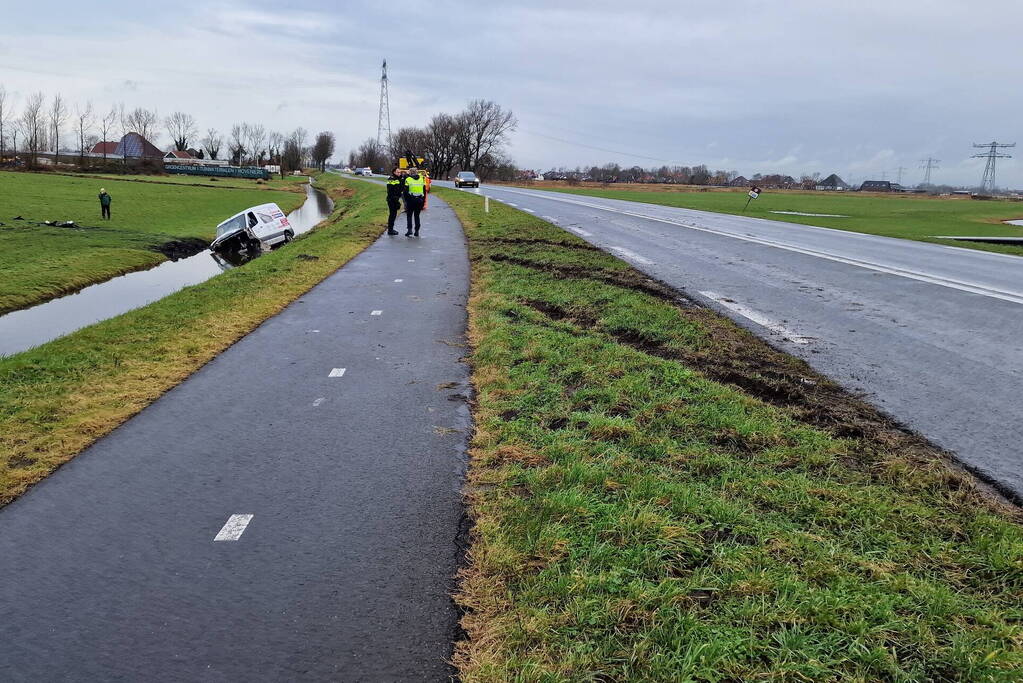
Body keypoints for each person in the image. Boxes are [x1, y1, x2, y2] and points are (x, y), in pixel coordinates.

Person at [403, 169, 426, 237]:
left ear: (410, 173)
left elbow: (405, 191)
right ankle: (417, 231)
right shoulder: (421, 179)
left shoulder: (408, 179)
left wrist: (406, 201)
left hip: (411, 200)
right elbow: (424, 191)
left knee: (409, 215)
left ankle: (409, 230)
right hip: (420, 200)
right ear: (416, 172)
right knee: (417, 216)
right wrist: (423, 201)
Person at [385, 168, 405, 235]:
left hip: (396, 198)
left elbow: (401, 187)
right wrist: (396, 200)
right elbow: (390, 191)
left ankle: (391, 229)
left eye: (400, 172)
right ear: (394, 172)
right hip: (391, 199)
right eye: (398, 172)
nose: (399, 173)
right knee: (392, 214)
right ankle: (390, 230)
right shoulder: (391, 179)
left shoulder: (399, 178)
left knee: (394, 214)